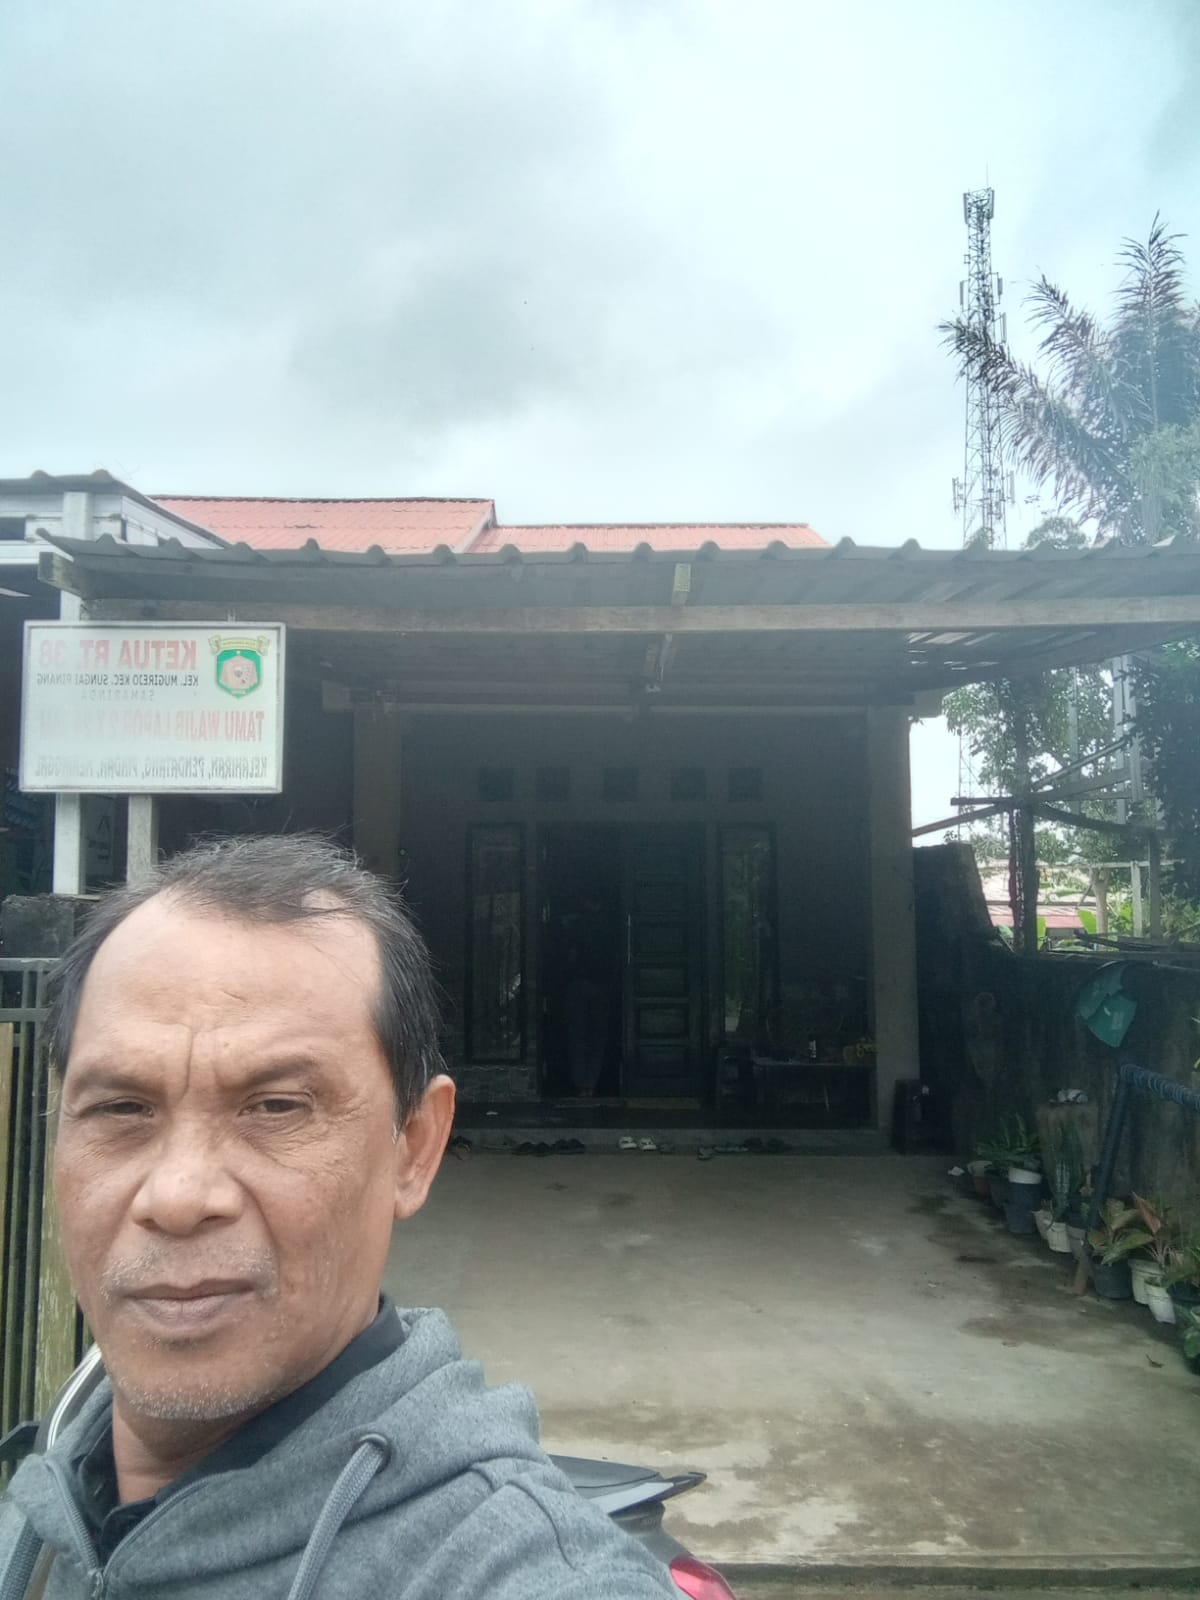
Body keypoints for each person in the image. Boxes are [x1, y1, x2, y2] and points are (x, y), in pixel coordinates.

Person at [0, 834, 677, 1599]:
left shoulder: (525, 1572)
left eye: (277, 1106)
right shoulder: (37, 1513)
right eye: (121, 1108)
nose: (178, 1197)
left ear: (414, 1149)